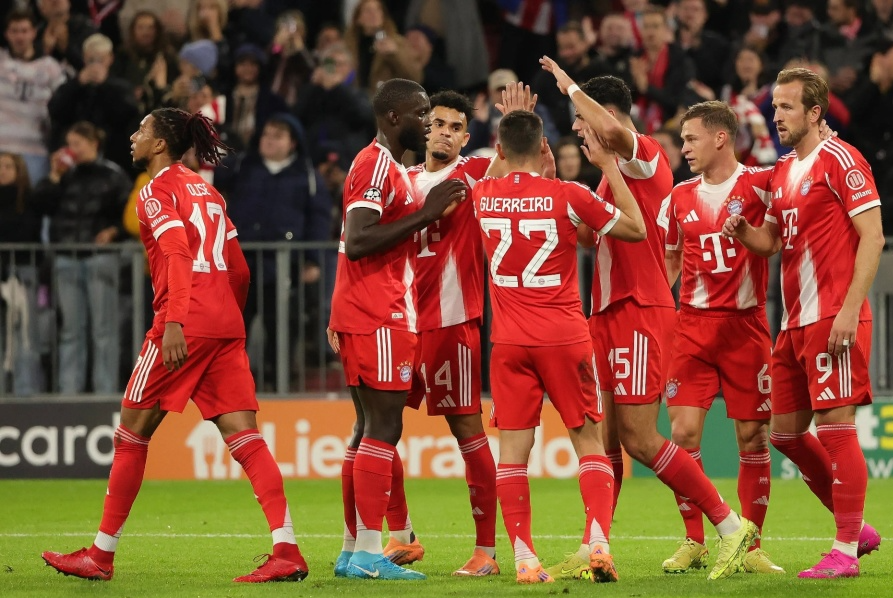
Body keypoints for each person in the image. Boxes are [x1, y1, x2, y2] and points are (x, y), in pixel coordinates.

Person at [41, 107, 309, 583]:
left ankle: (100, 555)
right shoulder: (209, 191)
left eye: (142, 130)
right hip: (224, 322)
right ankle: (286, 548)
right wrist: (227, 320)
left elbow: (177, 254)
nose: (133, 136)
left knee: (131, 433)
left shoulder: (155, 192)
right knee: (246, 439)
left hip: (183, 320)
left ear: (160, 143)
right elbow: (239, 269)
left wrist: (178, 323)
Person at [540, 58, 759, 581]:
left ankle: (731, 526)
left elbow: (615, 134)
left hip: (640, 309)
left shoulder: (645, 157)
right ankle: (596, 545)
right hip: (606, 312)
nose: (577, 130)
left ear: (607, 115)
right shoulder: (607, 178)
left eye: (582, 120)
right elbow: (589, 236)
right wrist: (552, 181)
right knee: (605, 439)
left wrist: (569, 86)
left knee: (640, 439)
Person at [723, 67, 884, 579]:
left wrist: (849, 309)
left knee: (836, 429)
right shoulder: (784, 170)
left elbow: (873, 236)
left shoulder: (842, 160)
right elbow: (773, 242)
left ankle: (845, 551)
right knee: (785, 435)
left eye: (787, 107)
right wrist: (744, 232)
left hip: (833, 315)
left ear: (815, 112)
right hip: (794, 323)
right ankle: (856, 527)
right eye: (775, 107)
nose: (777, 116)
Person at [474, 109, 646, 584]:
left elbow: (501, 178)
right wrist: (608, 168)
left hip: (509, 342)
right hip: (565, 338)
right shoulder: (568, 194)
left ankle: (525, 560)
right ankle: (598, 543)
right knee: (589, 443)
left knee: (513, 453)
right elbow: (636, 227)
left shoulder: (483, 194)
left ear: (500, 149)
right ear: (544, 147)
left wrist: (512, 156)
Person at [326, 77, 466, 581]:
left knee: (366, 429)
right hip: (379, 312)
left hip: (367, 309)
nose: (427, 122)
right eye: (421, 113)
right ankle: (368, 554)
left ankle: (351, 551)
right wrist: (426, 214)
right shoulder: (375, 165)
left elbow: (349, 242)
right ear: (393, 117)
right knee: (383, 429)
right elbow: (359, 239)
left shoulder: (386, 166)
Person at [662, 101, 782, 575]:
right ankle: (694, 539)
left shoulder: (761, 184)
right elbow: (671, 259)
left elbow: (775, 238)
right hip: (691, 327)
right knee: (682, 434)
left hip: (745, 327)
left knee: (753, 436)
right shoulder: (679, 196)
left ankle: (751, 548)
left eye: (691, 139)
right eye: (683, 140)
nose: (684, 148)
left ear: (720, 138)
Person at [403, 89, 507, 576]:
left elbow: (519, 164)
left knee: (467, 431)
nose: (444, 133)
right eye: (438, 124)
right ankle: (402, 537)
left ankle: (486, 552)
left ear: (466, 138)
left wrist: (516, 121)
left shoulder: (477, 172)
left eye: (455, 127)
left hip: (451, 321)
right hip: (398, 321)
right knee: (375, 429)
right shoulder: (400, 180)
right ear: (425, 128)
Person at [31, 121, 130, 394]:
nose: (72, 149)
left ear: (93, 143)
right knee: (71, 331)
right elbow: (39, 205)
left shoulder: (113, 175)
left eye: (77, 143)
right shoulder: (65, 176)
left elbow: (132, 214)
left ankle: (104, 392)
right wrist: (54, 176)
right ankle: (69, 393)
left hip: (100, 258)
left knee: (103, 330)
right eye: (69, 144)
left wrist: (115, 231)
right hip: (67, 258)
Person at [0, 7, 66, 185]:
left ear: (34, 33)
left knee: (34, 199)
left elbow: (64, 103)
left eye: (24, 31)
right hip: (1, 146)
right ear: (6, 34)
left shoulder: (50, 67)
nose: (19, 36)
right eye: (14, 31)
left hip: (35, 150)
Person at [0, 151, 44, 396]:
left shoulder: (29, 198)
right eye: (0, 166)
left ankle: (26, 391)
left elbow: (28, 231)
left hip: (24, 270)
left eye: (8, 166)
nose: (2, 171)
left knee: (25, 333)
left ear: (19, 171)